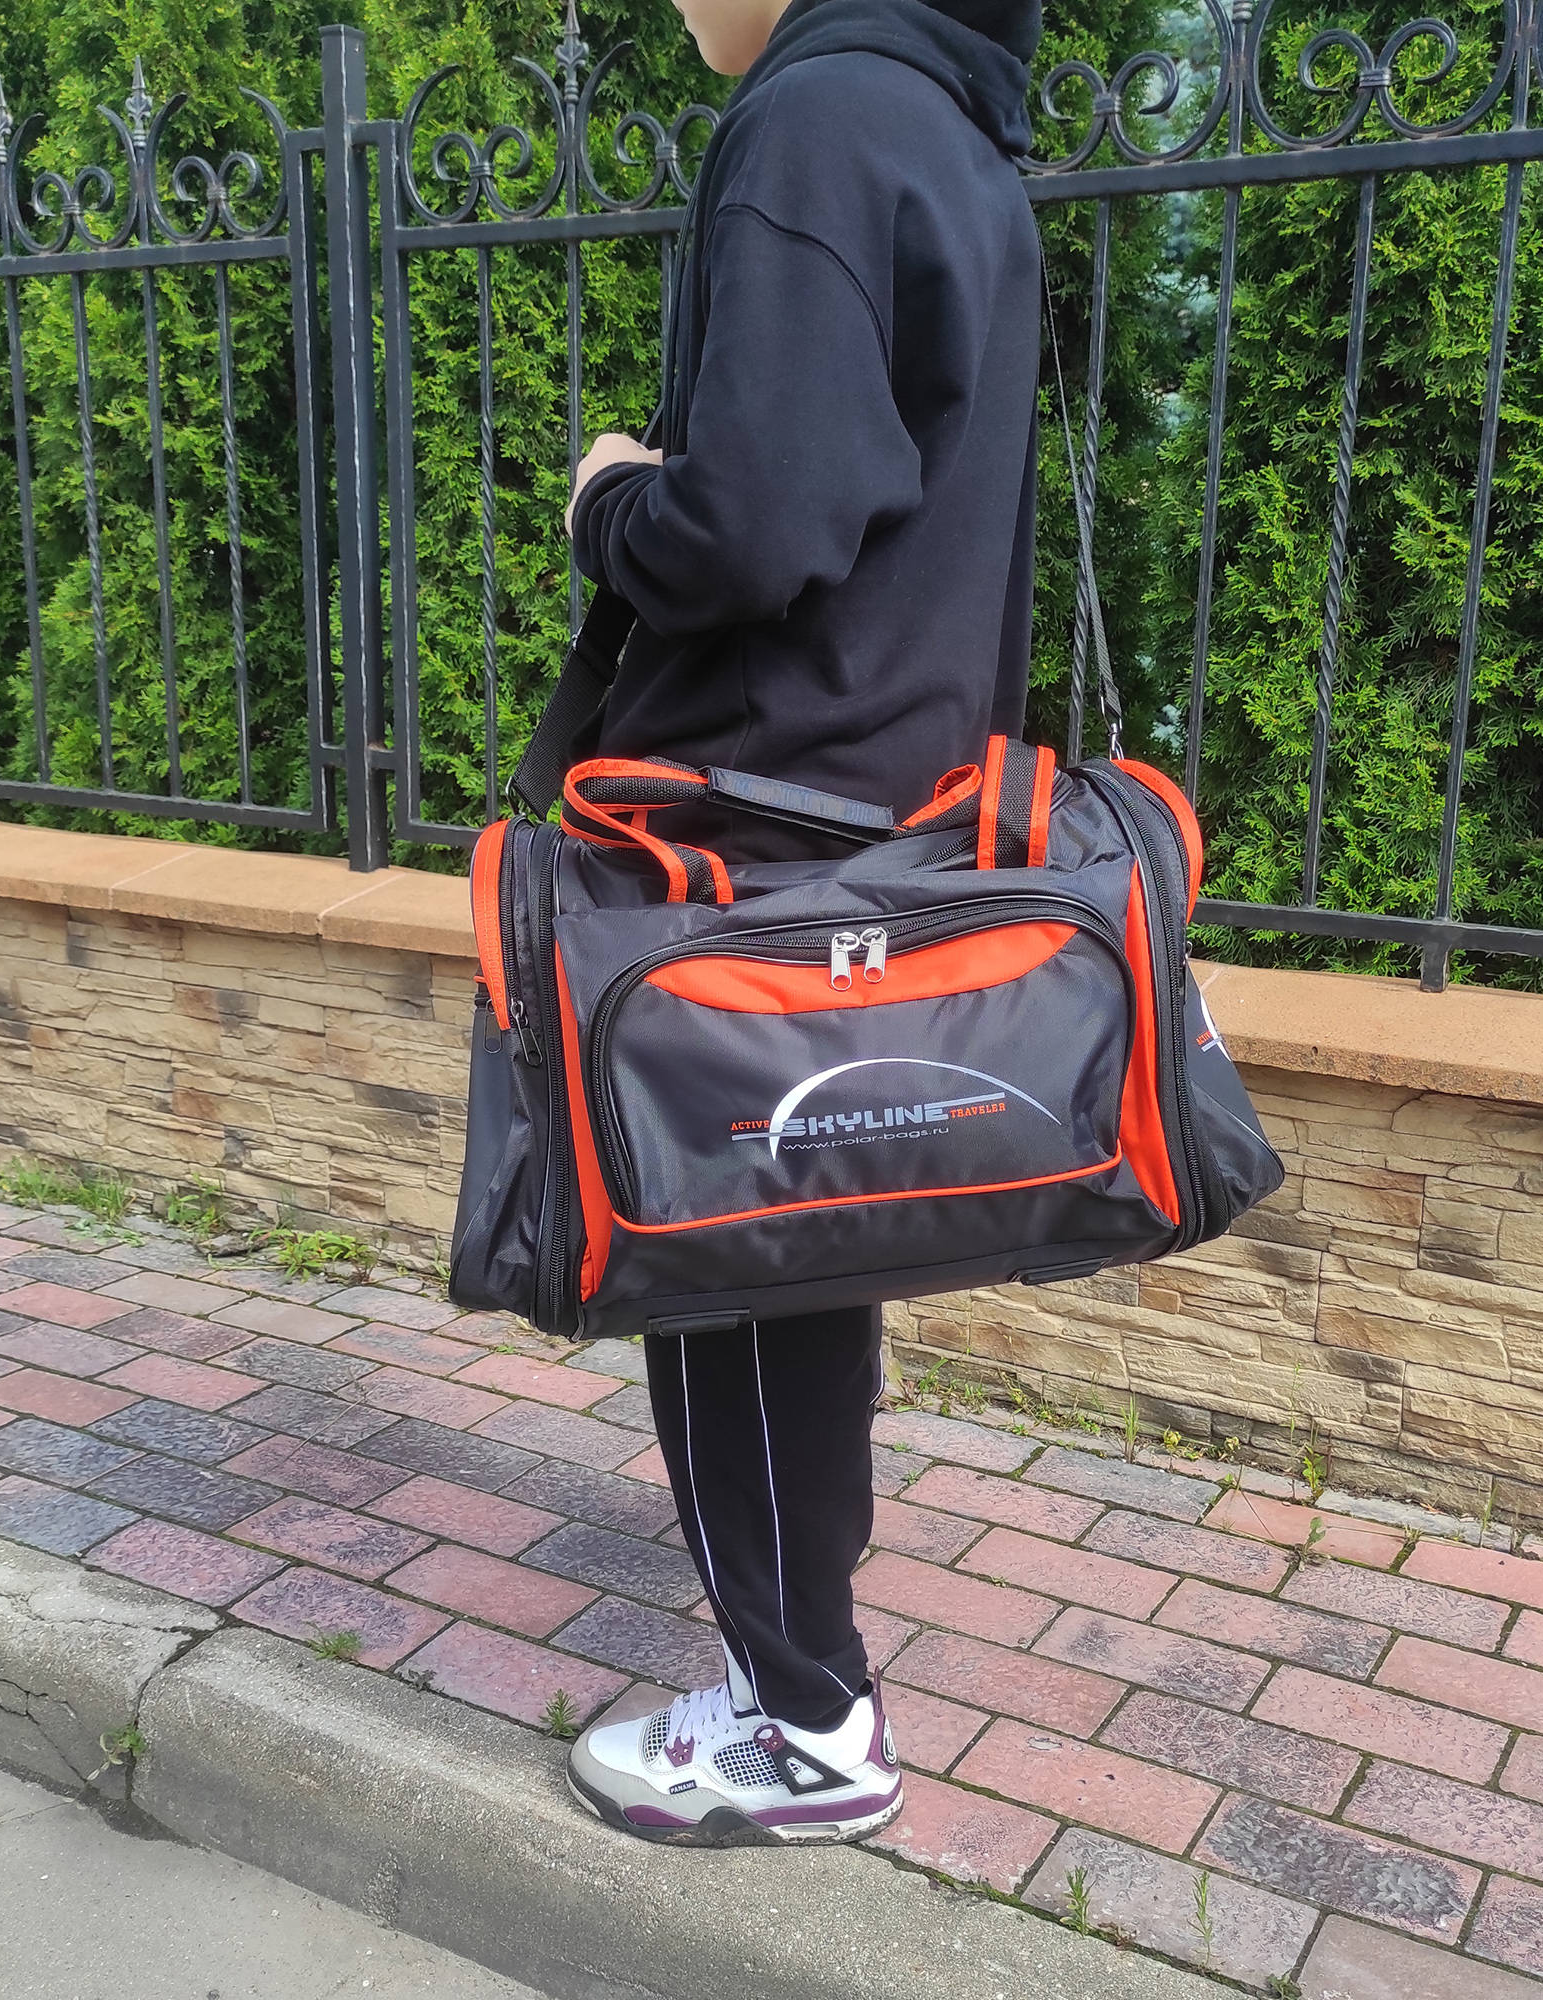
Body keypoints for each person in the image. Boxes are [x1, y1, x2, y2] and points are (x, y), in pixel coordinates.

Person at [561, 0, 1043, 1847]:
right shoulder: (947, 131)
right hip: (874, 797)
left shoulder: (817, 121)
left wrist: (614, 499)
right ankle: (802, 1682)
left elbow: (753, 527)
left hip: (760, 815)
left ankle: (807, 1728)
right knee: (798, 1268)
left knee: (728, 1268)